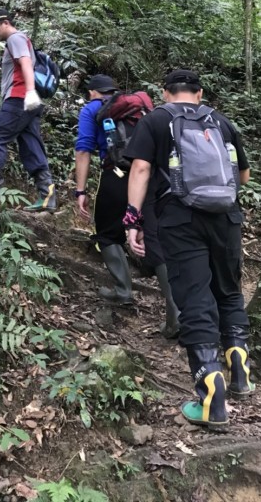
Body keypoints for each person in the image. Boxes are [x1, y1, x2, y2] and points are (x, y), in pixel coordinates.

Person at [124, 69, 253, 429]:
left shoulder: (156, 120)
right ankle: (240, 373)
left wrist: (133, 218)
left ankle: (212, 398)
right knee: (229, 293)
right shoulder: (221, 121)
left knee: (195, 299)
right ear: (200, 92)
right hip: (226, 219)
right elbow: (243, 176)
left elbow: (140, 168)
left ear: (165, 93)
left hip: (181, 221)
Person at [74, 74, 179, 335]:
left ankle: (123, 290)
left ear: (92, 93)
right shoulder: (141, 108)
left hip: (117, 176)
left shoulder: (92, 109)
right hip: (152, 179)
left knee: (107, 233)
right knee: (156, 240)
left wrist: (80, 189)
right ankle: (176, 317)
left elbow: (84, 148)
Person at [0, 9, 56, 212]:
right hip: (28, 101)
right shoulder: (21, 39)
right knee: (30, 144)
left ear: (5, 23)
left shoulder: (15, 38)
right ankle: (47, 196)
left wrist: (28, 92)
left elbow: (26, 63)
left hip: (20, 98)